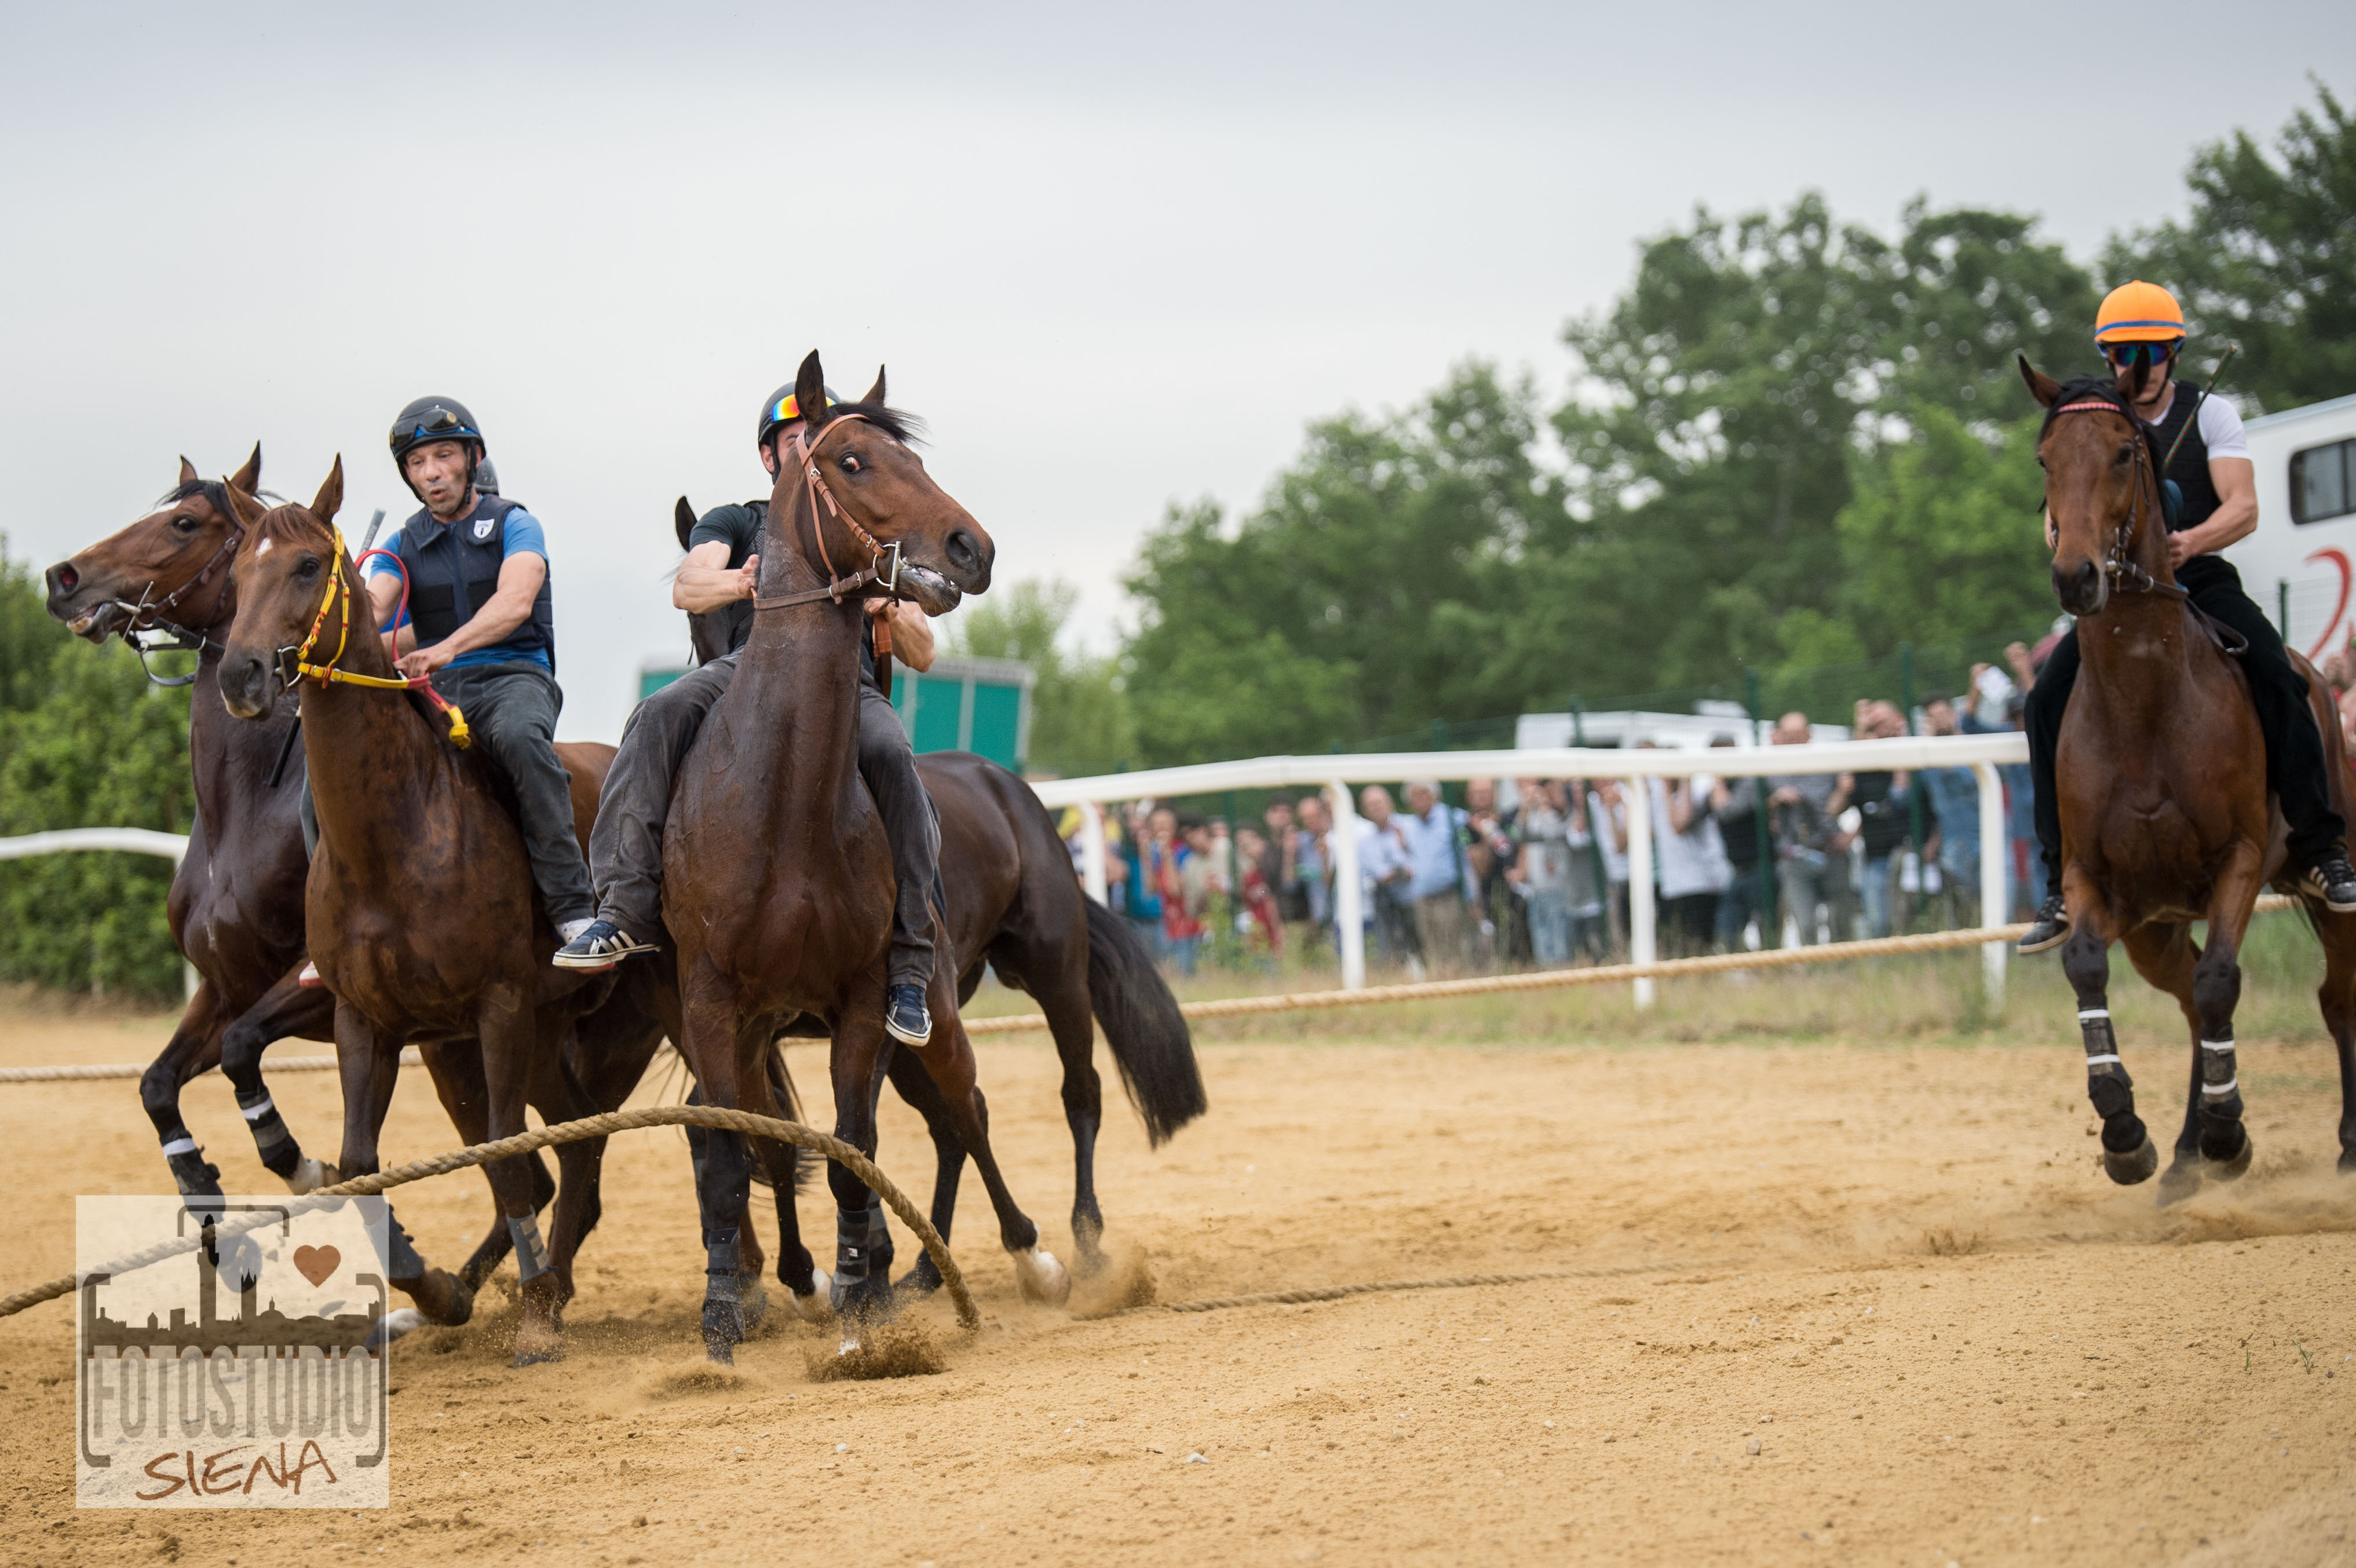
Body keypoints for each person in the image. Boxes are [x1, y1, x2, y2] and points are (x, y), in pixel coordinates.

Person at [553, 382, 945, 1049]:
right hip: (742, 673)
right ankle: (622, 906)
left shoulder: (861, 532)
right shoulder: (733, 521)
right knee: (656, 713)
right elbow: (686, 585)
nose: (807, 450)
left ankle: (909, 966)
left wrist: (884, 609)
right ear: (771, 457)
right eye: (795, 441)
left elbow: (924, 651)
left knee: (894, 758)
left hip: (846, 689)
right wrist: (742, 580)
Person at [2020, 280, 2356, 951]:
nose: (2134, 364)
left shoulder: (2210, 414)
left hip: (2195, 577)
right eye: (2120, 351)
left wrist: (2189, 542)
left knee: (2279, 675)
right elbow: (2061, 514)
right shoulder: (2089, 421)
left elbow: (2244, 506)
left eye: (2146, 350)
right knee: (2041, 704)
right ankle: (2060, 882)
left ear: (2169, 352)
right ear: (2106, 354)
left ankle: (2320, 848)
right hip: (2114, 597)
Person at [368, 396, 596, 951]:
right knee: (334, 766)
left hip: (513, 677)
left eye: (443, 456)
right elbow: (373, 615)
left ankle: (573, 910)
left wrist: (444, 647)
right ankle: (334, 929)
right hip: (434, 689)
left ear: (472, 458)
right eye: (417, 463)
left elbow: (516, 600)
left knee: (521, 741)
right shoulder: (398, 547)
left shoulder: (516, 524)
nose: (431, 472)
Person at [1765, 712, 1851, 945]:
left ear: (1809, 735)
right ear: (1779, 737)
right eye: (1788, 735)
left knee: (1840, 923)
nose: (1793, 740)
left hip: (1830, 850)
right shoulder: (1769, 768)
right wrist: (1774, 801)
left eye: (1798, 735)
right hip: (1793, 857)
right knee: (1805, 925)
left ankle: (1846, 975)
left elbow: (1845, 802)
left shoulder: (1828, 764)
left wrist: (1850, 832)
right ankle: (1813, 975)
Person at [1916, 696, 1983, 930]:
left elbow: (1972, 780)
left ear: (1954, 715)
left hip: (1987, 837)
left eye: (1943, 715)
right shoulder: (1927, 758)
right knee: (1962, 913)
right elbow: (1904, 795)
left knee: (1994, 904)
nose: (1939, 721)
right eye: (1933, 717)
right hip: (1953, 844)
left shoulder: (1974, 745)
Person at [1399, 780, 1478, 973]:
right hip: (1422, 896)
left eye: (1423, 794)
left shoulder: (1455, 818)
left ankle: (1459, 981)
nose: (1419, 800)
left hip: (1450, 894)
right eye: (1414, 797)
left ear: (1435, 796)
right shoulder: (1409, 826)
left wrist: (1472, 898)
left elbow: (1471, 850)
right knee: (1432, 946)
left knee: (1455, 944)